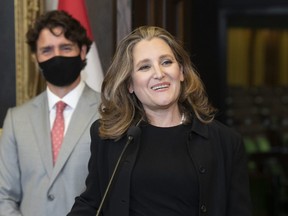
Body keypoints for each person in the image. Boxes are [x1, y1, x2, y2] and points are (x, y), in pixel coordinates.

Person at [67, 26, 252, 216]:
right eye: (144, 66)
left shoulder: (225, 142)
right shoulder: (109, 136)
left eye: (166, 62)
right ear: (130, 83)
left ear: (181, 72)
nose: (159, 73)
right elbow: (92, 202)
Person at [0, 10, 101, 216]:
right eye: (47, 50)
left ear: (82, 51)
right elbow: (4, 196)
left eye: (65, 48)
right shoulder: (16, 119)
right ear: (36, 57)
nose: (56, 56)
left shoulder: (110, 112)